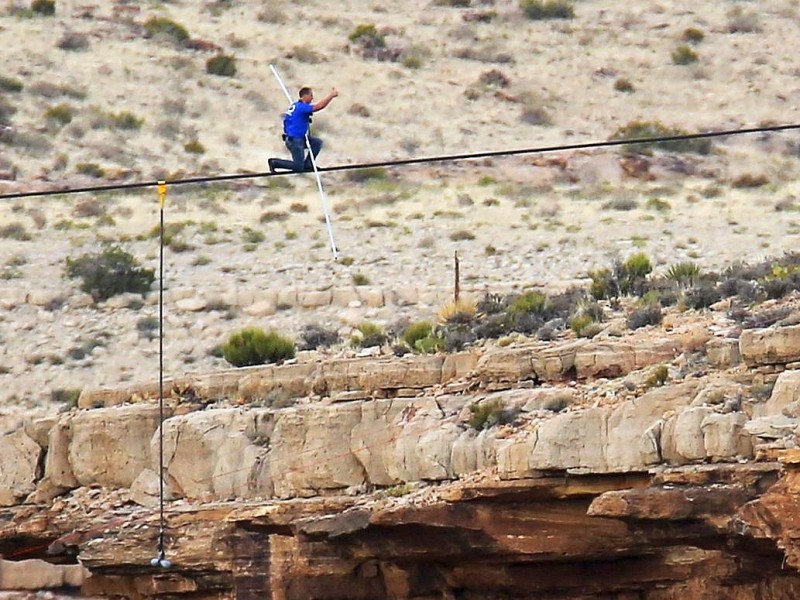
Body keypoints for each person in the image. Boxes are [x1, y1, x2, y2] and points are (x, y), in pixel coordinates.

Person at [268, 86, 338, 173]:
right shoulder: (302, 107)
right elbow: (319, 106)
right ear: (305, 96)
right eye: (311, 95)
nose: (312, 98)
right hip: (295, 140)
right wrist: (331, 96)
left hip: (298, 138)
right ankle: (275, 163)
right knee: (298, 167)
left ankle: (308, 164)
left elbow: (287, 121)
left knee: (317, 143)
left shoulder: (295, 106)